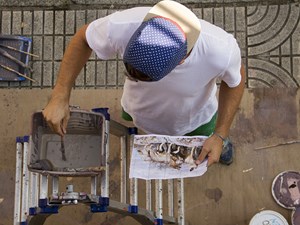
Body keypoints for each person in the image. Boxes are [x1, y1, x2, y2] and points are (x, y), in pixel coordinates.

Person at [42, 0, 245, 167]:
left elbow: (235, 81)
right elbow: (84, 39)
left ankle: (222, 146)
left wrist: (220, 134)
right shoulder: (124, 25)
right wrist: (60, 94)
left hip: (196, 119)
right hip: (138, 111)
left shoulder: (221, 50)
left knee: (211, 144)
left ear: (181, 60)